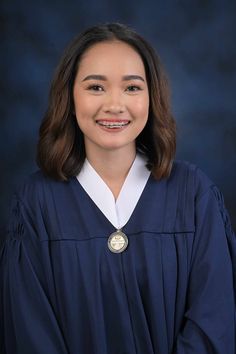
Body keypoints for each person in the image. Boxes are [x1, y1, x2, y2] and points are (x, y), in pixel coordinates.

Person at [0, 23, 235, 354]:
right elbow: (32, 334)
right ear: (68, 96)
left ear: (152, 98)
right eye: (96, 87)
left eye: (132, 88)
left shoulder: (193, 195)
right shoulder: (36, 205)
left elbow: (215, 324)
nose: (114, 105)